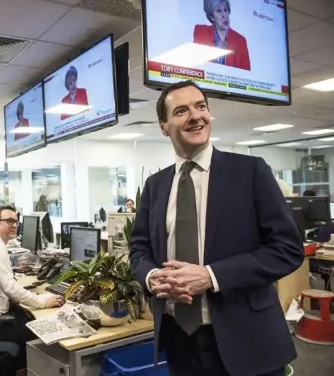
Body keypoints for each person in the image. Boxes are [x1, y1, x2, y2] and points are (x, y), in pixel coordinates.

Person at [129, 80, 304, 376]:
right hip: (179, 339)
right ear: (163, 126)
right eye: (182, 110)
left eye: (201, 107)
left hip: (248, 338)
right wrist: (151, 276)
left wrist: (212, 276)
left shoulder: (251, 172)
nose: (195, 116)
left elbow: (287, 250)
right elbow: (139, 248)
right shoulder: (155, 186)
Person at [0, 205, 64, 369]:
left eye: (16, 221)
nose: (14, 225)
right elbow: (10, 288)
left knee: (28, 316)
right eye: (9, 221)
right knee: (43, 330)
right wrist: (42, 301)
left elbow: (7, 287)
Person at [193, 0, 250, 71]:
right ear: (211, 17)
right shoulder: (201, 32)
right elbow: (196, 65)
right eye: (219, 11)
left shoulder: (240, 40)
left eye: (225, 10)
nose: (224, 15)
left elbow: (246, 75)